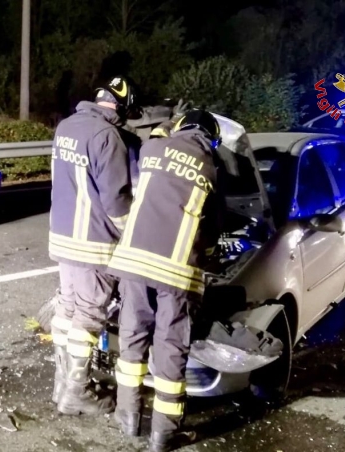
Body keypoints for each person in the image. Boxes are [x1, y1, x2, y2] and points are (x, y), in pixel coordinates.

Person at [106, 109, 225, 451]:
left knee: (133, 339)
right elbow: (214, 227)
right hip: (174, 271)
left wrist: (164, 129)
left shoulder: (152, 150)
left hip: (133, 262)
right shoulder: (213, 166)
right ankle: (164, 433)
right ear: (211, 138)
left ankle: (127, 418)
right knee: (170, 348)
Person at [48, 76, 136, 416]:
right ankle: (77, 391)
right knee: (88, 314)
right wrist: (131, 235)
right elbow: (116, 200)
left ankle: (62, 384)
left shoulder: (66, 127)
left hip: (62, 235)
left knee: (67, 310)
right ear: (121, 106)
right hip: (92, 241)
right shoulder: (107, 136)